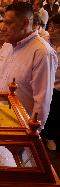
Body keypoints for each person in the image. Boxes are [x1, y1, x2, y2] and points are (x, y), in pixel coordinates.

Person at [0, 2, 58, 130]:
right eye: (4, 22)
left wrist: (31, 134)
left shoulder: (42, 52)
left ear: (25, 23)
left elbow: (42, 102)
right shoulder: (7, 44)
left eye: (9, 23)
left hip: (19, 127)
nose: (3, 28)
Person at [43, 13, 60, 150]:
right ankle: (47, 136)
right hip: (44, 83)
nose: (51, 29)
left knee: (55, 113)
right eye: (50, 26)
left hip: (58, 86)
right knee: (47, 111)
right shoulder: (43, 41)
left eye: (56, 27)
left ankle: (52, 135)